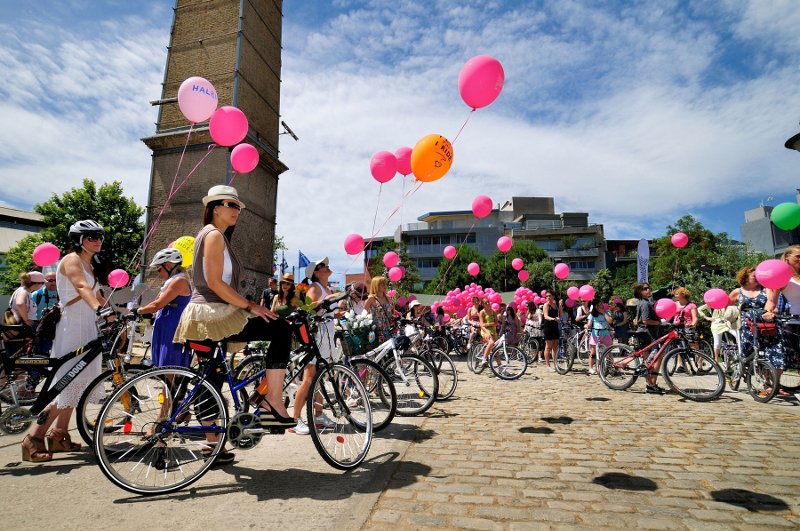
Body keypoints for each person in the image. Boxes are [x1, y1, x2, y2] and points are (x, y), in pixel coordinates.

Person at [173, 185, 297, 464]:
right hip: (211, 313)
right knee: (281, 329)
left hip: (207, 314)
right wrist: (250, 306)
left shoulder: (213, 236)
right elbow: (215, 283)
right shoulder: (214, 235)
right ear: (215, 207)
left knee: (212, 376)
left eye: (238, 206)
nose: (236, 210)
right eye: (230, 204)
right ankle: (272, 400)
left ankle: (212, 445)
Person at [21, 220, 108, 462]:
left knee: (77, 385)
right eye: (91, 237)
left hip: (88, 327)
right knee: (66, 383)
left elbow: (97, 294)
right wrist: (99, 309)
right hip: (73, 328)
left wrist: (119, 313)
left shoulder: (90, 264)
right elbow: (81, 286)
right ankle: (34, 438)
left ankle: (59, 434)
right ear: (79, 240)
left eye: (100, 236)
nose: (98, 241)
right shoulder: (71, 260)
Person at [289, 258, 339, 435]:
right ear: (316, 273)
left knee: (320, 378)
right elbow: (308, 309)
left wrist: (337, 312)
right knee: (309, 379)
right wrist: (327, 300)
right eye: (323, 266)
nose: (327, 267)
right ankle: (294, 420)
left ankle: (318, 415)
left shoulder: (327, 288)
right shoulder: (315, 287)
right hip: (317, 336)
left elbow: (327, 311)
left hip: (327, 335)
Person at [136, 248, 192, 368]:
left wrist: (138, 311)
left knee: (169, 363)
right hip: (167, 324)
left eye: (159, 269)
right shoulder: (172, 281)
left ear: (168, 266)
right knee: (163, 365)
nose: (158, 273)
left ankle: (171, 381)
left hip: (172, 326)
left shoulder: (179, 281)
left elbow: (157, 304)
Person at [764, 245, 800, 395]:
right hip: (792, 322)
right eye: (798, 256)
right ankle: (773, 385)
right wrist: (767, 312)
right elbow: (772, 300)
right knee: (793, 355)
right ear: (787, 258)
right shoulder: (784, 278)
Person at [632, 282, 667, 395]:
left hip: (646, 333)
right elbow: (645, 320)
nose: (648, 290)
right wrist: (659, 322)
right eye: (644, 289)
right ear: (639, 292)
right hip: (647, 334)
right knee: (657, 357)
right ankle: (652, 384)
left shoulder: (644, 302)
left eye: (649, 288)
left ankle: (650, 385)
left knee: (651, 359)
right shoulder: (645, 304)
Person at [364, 276, 397, 344]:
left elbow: (392, 313)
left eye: (385, 283)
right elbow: (363, 314)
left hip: (388, 328)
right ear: (376, 285)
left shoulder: (388, 297)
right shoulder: (371, 298)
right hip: (377, 329)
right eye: (382, 284)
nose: (385, 285)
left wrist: (392, 307)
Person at [586, 303, 613, 374]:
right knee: (593, 352)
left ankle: (610, 366)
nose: (601, 307)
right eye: (599, 306)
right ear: (596, 307)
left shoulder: (606, 313)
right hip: (596, 335)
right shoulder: (592, 315)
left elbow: (610, 321)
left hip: (605, 334)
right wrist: (587, 326)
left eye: (601, 306)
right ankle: (590, 368)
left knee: (608, 351)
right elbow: (589, 324)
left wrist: (604, 313)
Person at [541, 293, 561, 372]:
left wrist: (560, 306)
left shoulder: (555, 305)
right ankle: (547, 365)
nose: (548, 297)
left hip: (555, 327)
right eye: (547, 296)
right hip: (548, 327)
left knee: (555, 347)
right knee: (548, 347)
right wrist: (553, 319)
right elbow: (545, 316)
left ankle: (555, 364)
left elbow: (560, 315)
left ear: (553, 296)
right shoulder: (546, 305)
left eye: (550, 296)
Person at [478, 299, 498, 365]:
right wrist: (487, 331)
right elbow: (482, 325)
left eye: (488, 302)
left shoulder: (494, 311)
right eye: (486, 303)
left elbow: (496, 323)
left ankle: (500, 366)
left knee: (496, 349)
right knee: (491, 342)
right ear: (483, 304)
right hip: (485, 330)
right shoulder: (482, 312)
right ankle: (484, 358)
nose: (488, 303)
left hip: (493, 331)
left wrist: (487, 324)